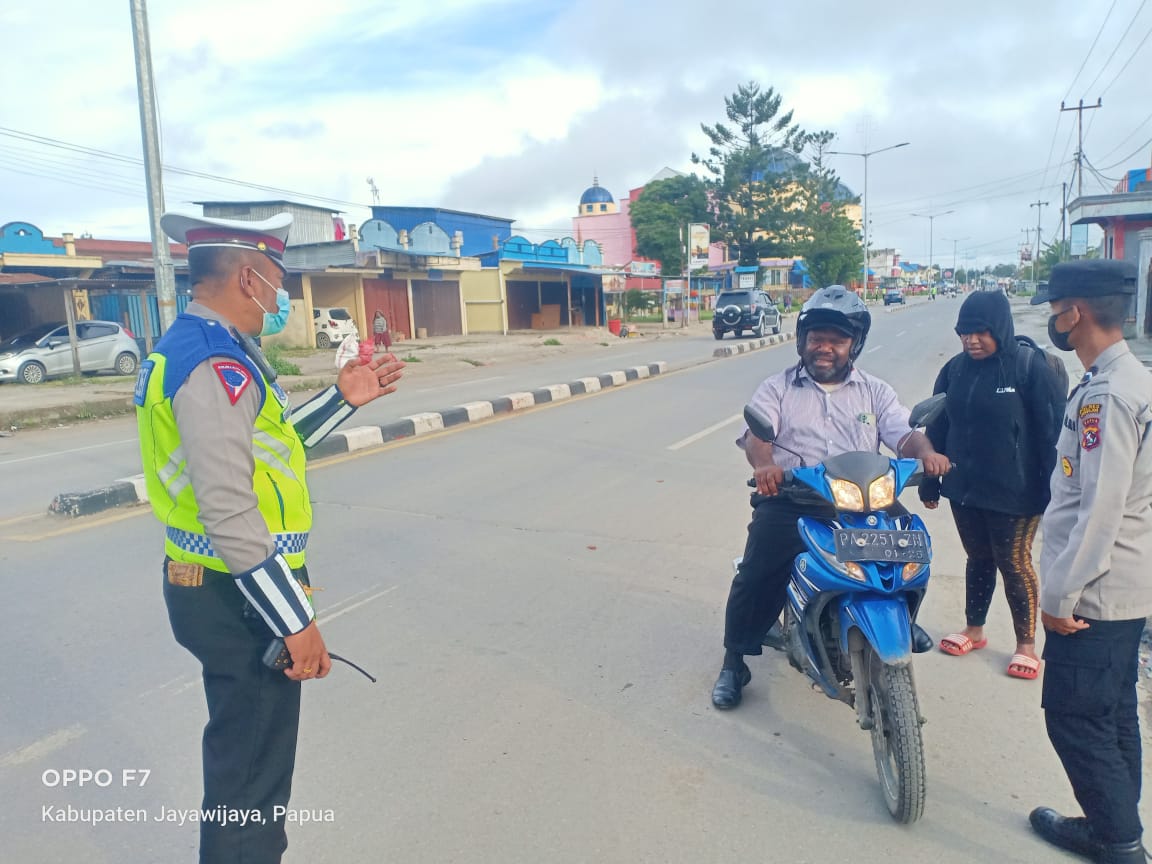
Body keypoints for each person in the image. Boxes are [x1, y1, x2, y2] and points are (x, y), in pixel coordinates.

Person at [135, 211, 406, 863]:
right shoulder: (212, 364)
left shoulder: (206, 349)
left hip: (224, 588)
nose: (281, 297)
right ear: (249, 278)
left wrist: (343, 398)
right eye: (278, 282)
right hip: (240, 598)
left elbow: (266, 450)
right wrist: (297, 621)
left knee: (245, 773)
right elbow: (229, 507)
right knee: (251, 788)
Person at [711, 286, 952, 709]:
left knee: (909, 545)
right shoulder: (779, 387)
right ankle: (735, 659)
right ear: (802, 340)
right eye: (816, 337)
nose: (824, 347)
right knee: (758, 569)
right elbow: (756, 436)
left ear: (853, 344)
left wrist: (927, 454)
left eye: (836, 339)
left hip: (864, 497)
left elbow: (904, 434)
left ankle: (898, 614)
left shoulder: (874, 391)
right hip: (793, 497)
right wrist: (765, 466)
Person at [1026, 260, 1152, 864]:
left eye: (1057, 309)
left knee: (1076, 720)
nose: (1054, 320)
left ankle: (1119, 844)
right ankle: (1117, 825)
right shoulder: (1135, 380)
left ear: (1074, 313)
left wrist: (1057, 597)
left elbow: (1099, 508)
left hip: (1094, 593)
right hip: (1128, 583)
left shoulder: (1107, 395)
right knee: (1111, 712)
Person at [919, 290, 1066, 679]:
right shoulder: (955, 369)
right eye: (965, 333)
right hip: (965, 485)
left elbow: (1051, 433)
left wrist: (1054, 494)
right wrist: (931, 482)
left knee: (1014, 562)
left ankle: (1026, 646)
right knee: (978, 558)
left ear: (1000, 328)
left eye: (981, 332)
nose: (972, 341)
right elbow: (938, 424)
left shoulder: (1030, 367)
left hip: (1017, 490)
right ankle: (974, 629)